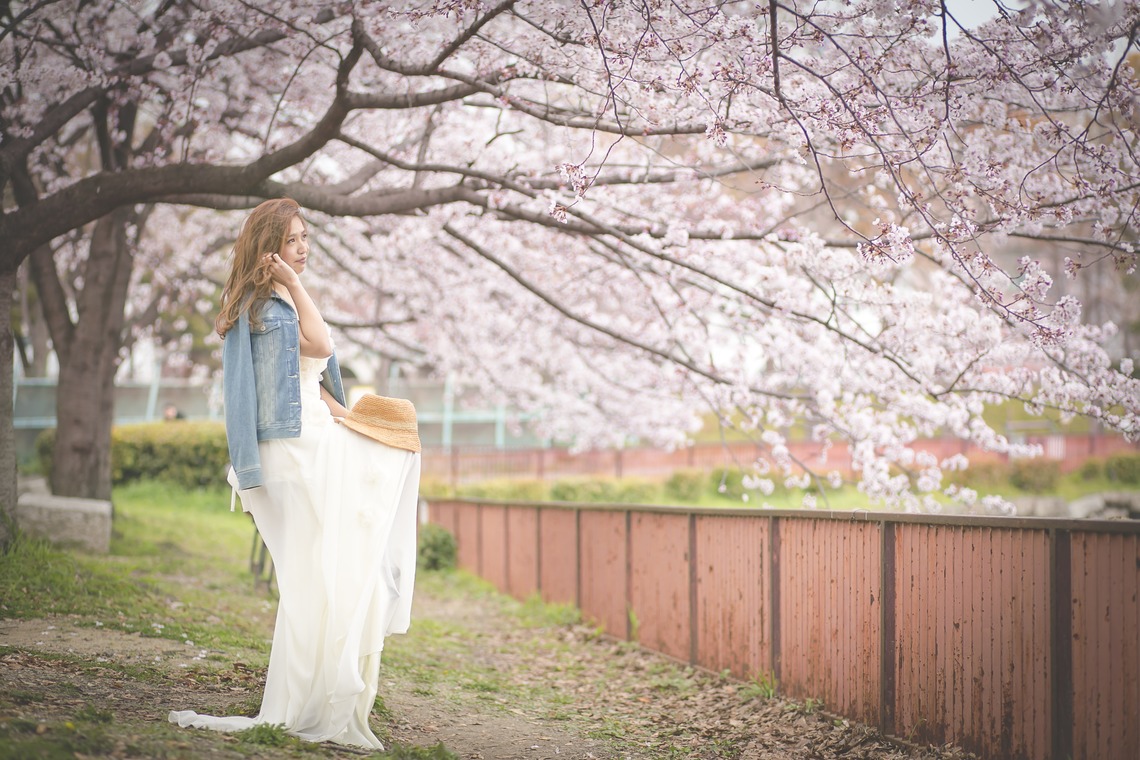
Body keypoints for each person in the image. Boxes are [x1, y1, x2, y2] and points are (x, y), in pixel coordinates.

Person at [168, 198, 420, 749]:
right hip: (290, 448)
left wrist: (358, 426)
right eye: (293, 241)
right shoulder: (260, 308)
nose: (303, 249)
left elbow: (318, 384)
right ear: (270, 249)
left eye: (306, 239)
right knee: (311, 577)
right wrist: (246, 465)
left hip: (315, 437)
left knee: (331, 570)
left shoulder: (282, 299)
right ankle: (304, 702)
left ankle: (319, 694)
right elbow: (310, 354)